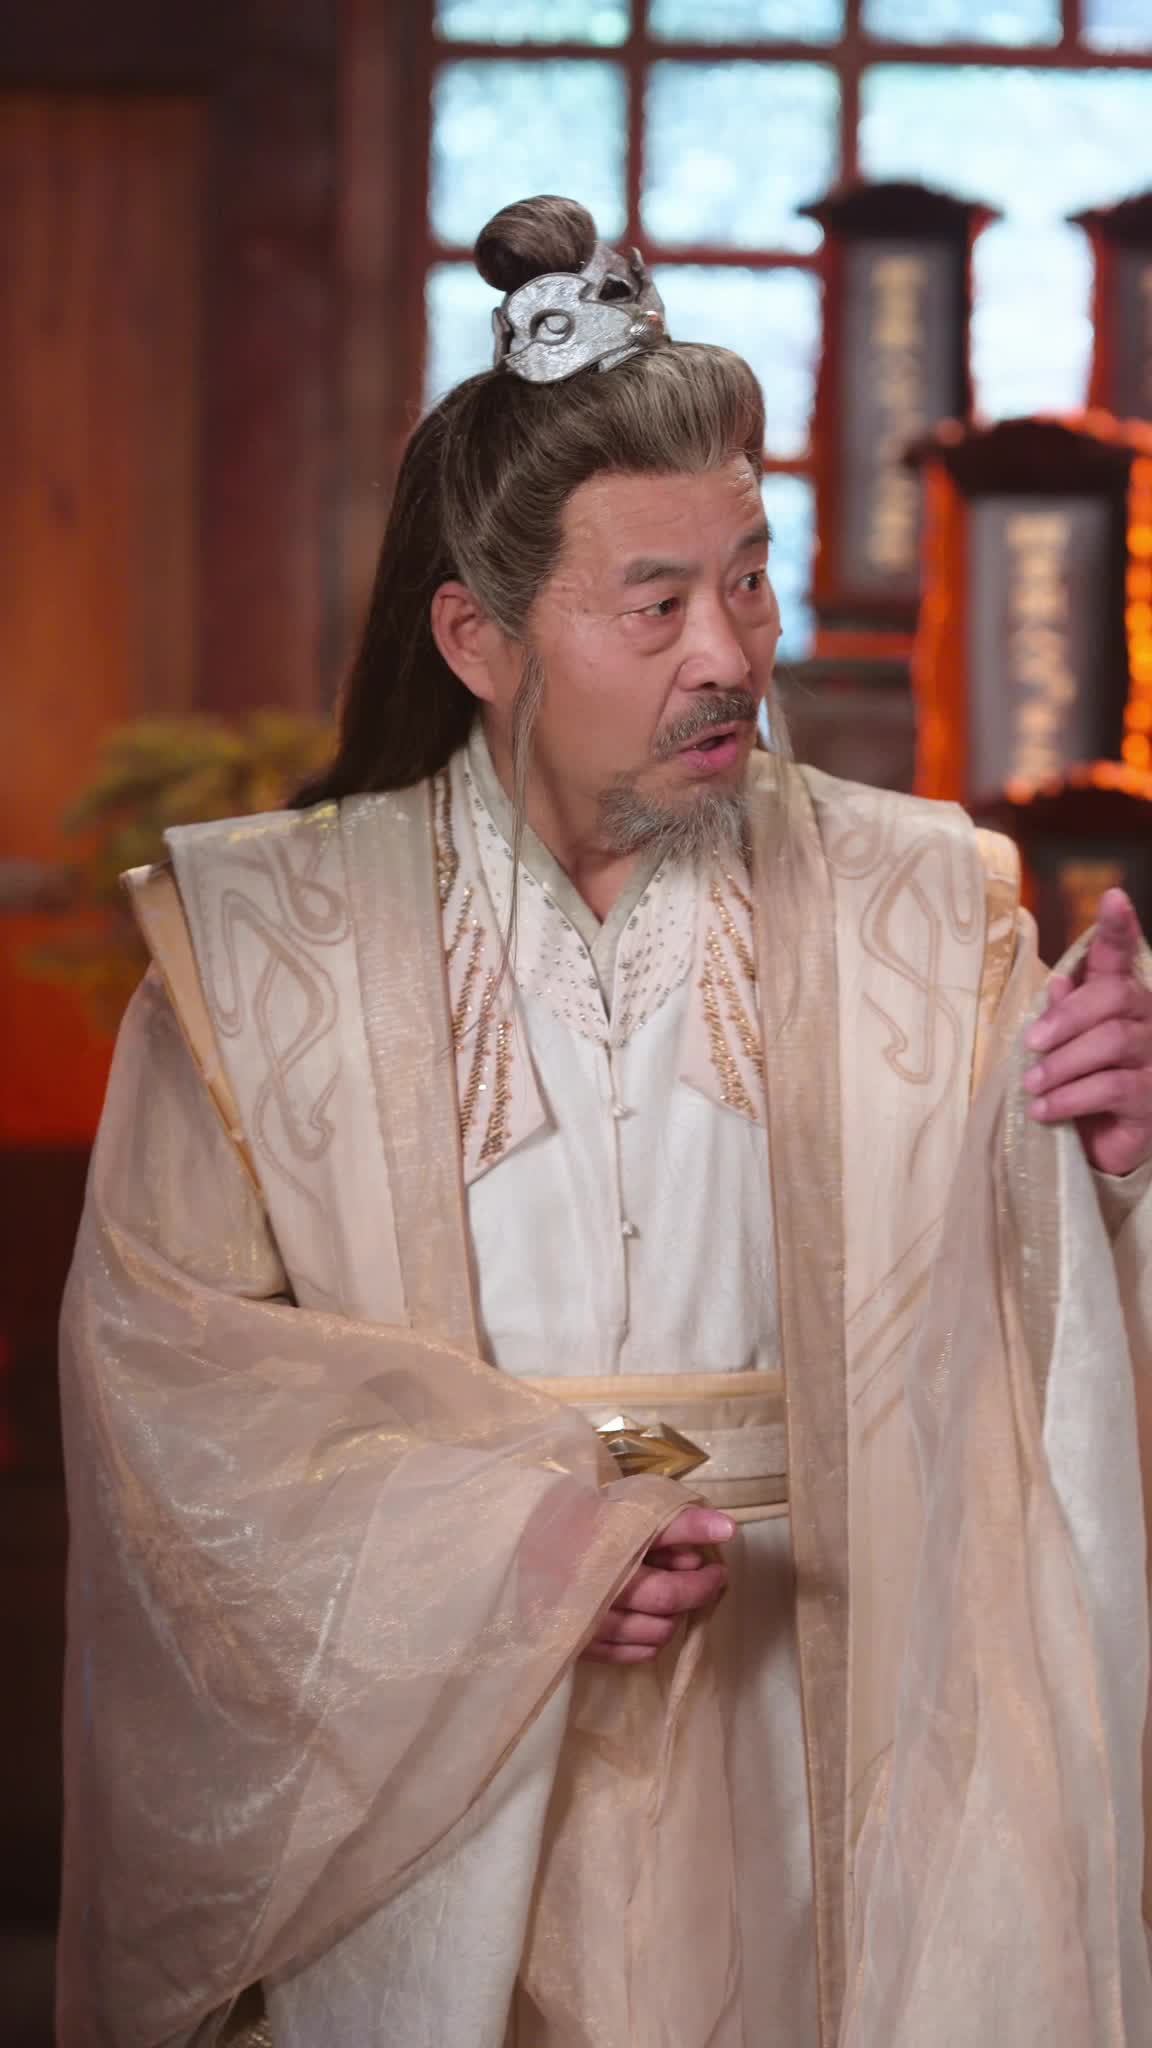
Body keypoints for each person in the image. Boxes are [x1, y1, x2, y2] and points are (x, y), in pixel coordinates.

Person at [57, 195, 1152, 2048]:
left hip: (826, 1750)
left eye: (751, 579)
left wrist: (1115, 1165)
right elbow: (170, 1394)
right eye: (655, 605)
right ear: (478, 638)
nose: (728, 652)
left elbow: (1051, 1359)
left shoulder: (924, 906)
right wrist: (511, 1565)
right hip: (443, 1781)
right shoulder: (263, 952)